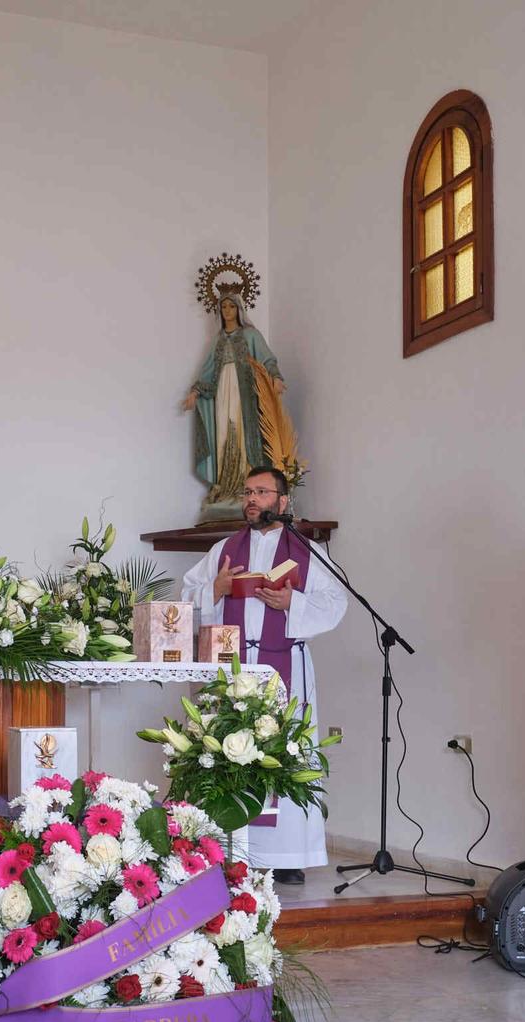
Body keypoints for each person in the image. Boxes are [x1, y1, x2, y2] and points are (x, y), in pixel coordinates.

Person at [180, 465, 346, 883]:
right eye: (247, 492)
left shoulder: (309, 552)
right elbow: (183, 603)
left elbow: (335, 603)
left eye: (262, 492)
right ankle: (230, 850)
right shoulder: (223, 550)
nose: (251, 500)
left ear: (283, 502)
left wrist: (293, 602)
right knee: (227, 750)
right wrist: (214, 590)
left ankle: (287, 855)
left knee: (287, 751)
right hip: (232, 666)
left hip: (283, 664)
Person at [183, 274, 297, 523]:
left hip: (246, 399)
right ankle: (227, 486)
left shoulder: (251, 335)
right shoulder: (217, 342)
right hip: (223, 396)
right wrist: (195, 392)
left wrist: (275, 377)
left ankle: (247, 486)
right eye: (223, 306)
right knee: (225, 440)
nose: (227, 311)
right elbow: (208, 373)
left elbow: (267, 359)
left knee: (246, 439)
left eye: (231, 305)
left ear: (239, 308)